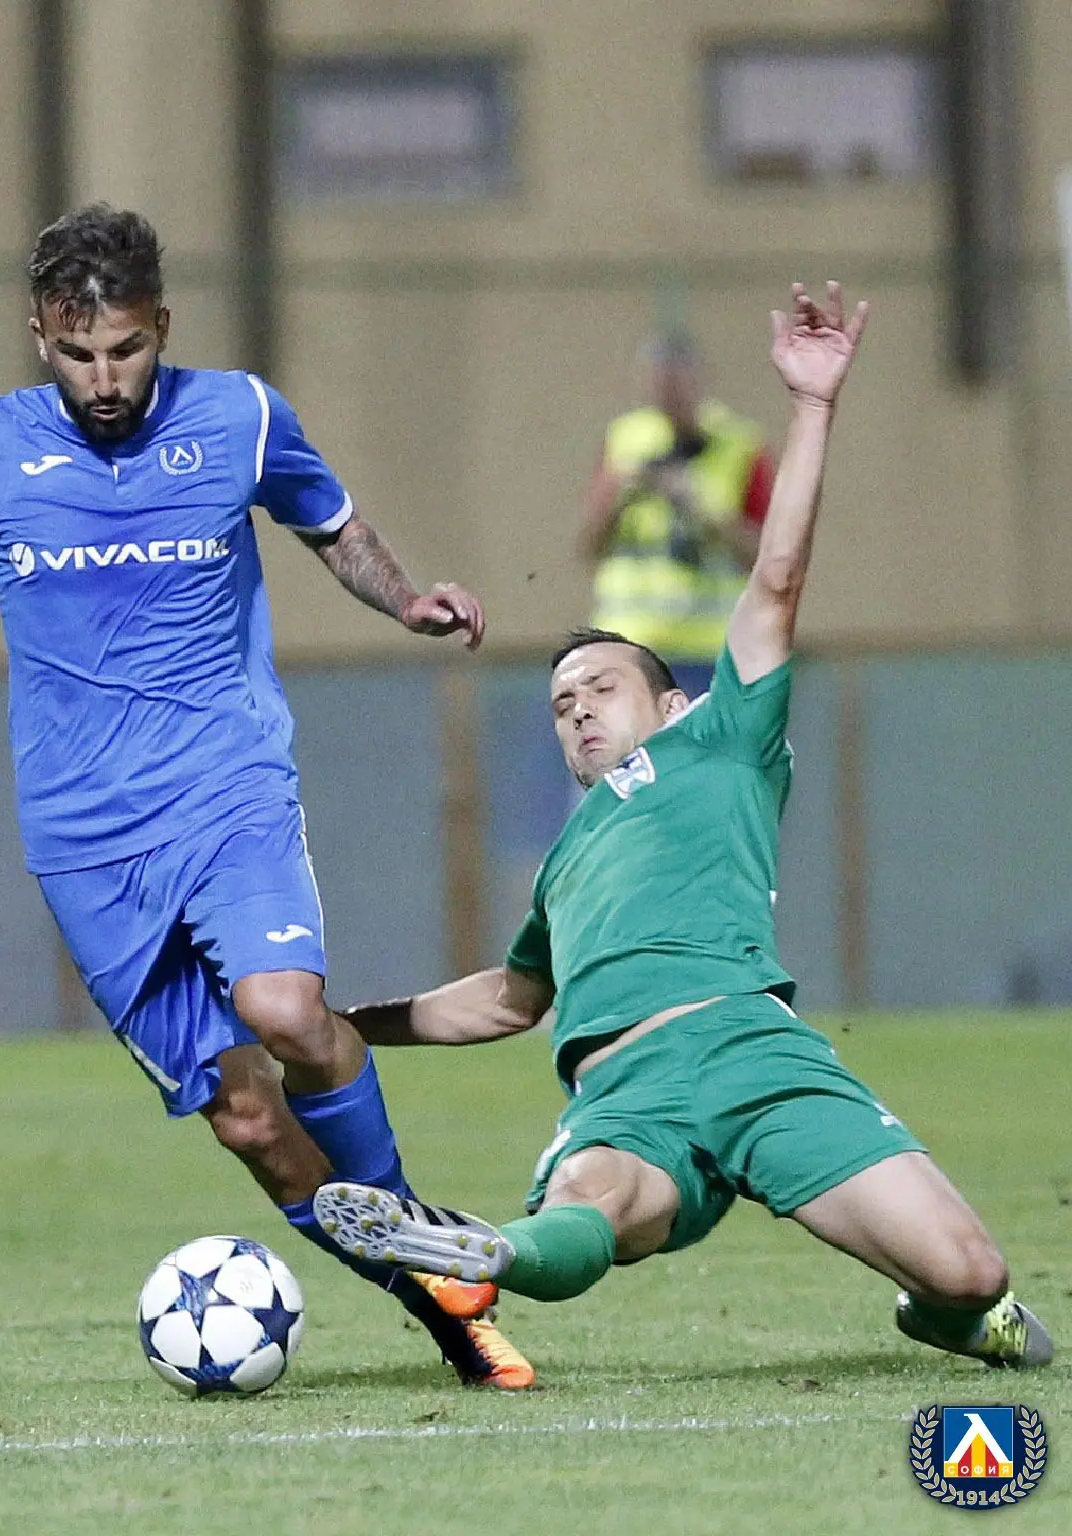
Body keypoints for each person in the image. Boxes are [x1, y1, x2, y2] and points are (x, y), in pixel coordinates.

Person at [0, 205, 532, 1389]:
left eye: (127, 349)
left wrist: (405, 600)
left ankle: (412, 1233)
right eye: (80, 352)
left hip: (226, 784)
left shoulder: (240, 417)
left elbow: (331, 524)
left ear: (164, 329)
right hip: (87, 841)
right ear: (39, 335)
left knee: (287, 1011)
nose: (104, 378)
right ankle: (440, 1300)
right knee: (250, 1123)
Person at [314, 283, 1053, 1372]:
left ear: (670, 704)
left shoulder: (720, 738)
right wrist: (342, 1025)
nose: (576, 710)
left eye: (600, 688)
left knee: (969, 1273)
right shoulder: (567, 859)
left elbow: (777, 576)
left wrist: (812, 406)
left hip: (754, 1051)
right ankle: (485, 1251)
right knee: (591, 1203)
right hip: (627, 1093)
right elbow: (510, 998)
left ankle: (942, 1312)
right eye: (560, 704)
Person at [579, 331, 773, 700]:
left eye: (675, 383)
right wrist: (622, 497)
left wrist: (704, 511)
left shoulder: (740, 445)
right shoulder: (625, 441)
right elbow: (588, 545)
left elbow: (767, 556)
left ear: (699, 381)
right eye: (656, 383)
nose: (667, 395)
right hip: (630, 648)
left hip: (709, 651)